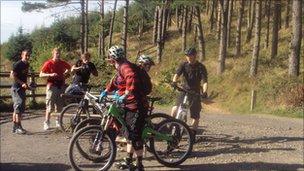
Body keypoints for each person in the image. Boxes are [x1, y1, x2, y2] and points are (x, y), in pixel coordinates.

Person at [99, 46, 149, 171]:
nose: (109, 59)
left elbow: (131, 78)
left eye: (110, 57)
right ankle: (128, 160)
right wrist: (106, 90)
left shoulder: (125, 66)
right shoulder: (120, 66)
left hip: (137, 106)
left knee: (135, 135)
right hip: (129, 105)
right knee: (129, 134)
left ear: (113, 58)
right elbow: (116, 81)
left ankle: (139, 165)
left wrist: (126, 94)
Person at [171, 47, 208, 141]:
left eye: (190, 56)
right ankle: (172, 126)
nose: (189, 58)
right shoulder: (183, 65)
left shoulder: (201, 67)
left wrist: (204, 91)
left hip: (195, 93)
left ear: (195, 56)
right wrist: (174, 82)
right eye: (187, 56)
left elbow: (204, 81)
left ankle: (192, 135)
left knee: (195, 115)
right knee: (175, 109)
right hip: (184, 90)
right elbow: (177, 74)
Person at [40, 48, 71, 130]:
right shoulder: (48, 63)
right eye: (56, 53)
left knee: (60, 106)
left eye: (59, 53)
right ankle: (46, 122)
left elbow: (70, 68)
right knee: (50, 106)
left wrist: (66, 73)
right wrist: (50, 74)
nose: (58, 55)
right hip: (52, 86)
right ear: (53, 54)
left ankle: (58, 121)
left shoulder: (62, 62)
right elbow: (41, 74)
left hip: (61, 86)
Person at [10, 50, 31, 134]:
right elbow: (12, 75)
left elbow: (24, 76)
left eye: (28, 55)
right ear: (22, 55)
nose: (27, 57)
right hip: (16, 88)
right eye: (26, 55)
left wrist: (27, 84)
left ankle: (15, 127)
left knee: (18, 108)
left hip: (22, 88)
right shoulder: (18, 64)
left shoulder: (27, 64)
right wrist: (21, 83)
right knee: (18, 107)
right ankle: (18, 127)